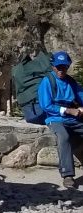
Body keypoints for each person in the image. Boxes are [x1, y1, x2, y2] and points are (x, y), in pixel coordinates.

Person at [39, 51, 83, 190]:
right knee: (64, 136)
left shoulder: (71, 82)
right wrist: (68, 110)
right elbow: (46, 105)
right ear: (53, 66)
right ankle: (67, 175)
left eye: (64, 67)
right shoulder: (47, 81)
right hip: (55, 118)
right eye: (58, 67)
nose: (61, 70)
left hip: (72, 118)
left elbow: (81, 97)